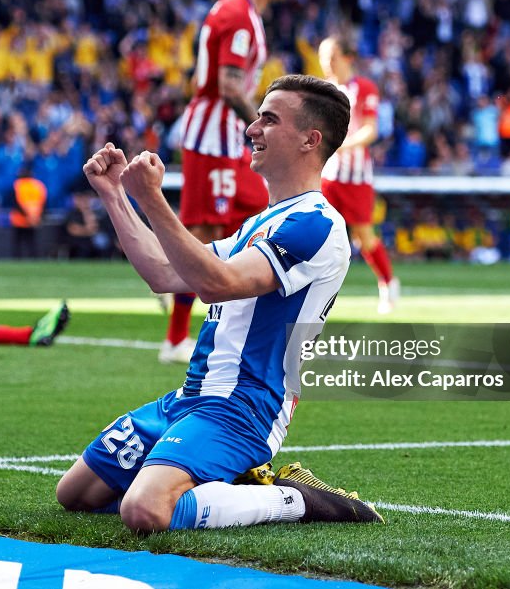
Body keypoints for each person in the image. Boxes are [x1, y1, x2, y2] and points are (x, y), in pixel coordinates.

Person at [57, 75, 383, 533]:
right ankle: (213, 484)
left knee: (144, 510)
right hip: (191, 397)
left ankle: (293, 500)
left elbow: (217, 284)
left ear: (311, 140)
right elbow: (164, 274)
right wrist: (114, 194)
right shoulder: (260, 223)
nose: (252, 128)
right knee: (75, 494)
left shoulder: (317, 223)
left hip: (245, 406)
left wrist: (153, 198)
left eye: (269, 120)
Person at [161, 0, 299, 364]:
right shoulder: (240, 14)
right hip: (214, 135)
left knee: (254, 217)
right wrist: (268, 122)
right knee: (203, 230)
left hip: (228, 136)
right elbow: (228, 85)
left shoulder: (242, 12)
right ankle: (175, 339)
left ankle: (244, 328)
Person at [318, 36, 400, 314]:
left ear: (346, 57)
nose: (326, 63)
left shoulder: (364, 88)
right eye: (323, 58)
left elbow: (371, 130)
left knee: (363, 236)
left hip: (356, 176)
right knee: (319, 232)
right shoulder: (323, 90)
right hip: (327, 175)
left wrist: (343, 145)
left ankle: (388, 283)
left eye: (331, 57)